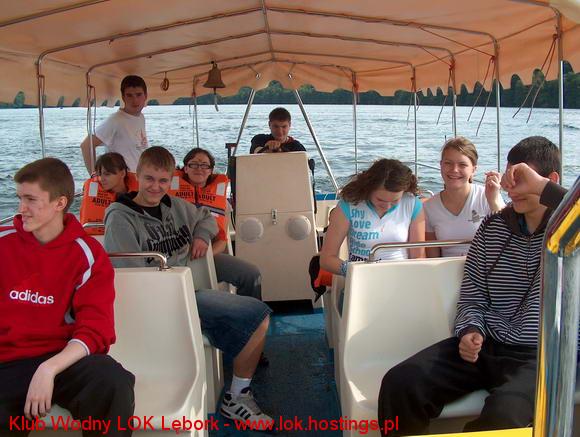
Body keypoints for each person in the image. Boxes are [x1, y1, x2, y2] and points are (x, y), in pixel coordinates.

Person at [377, 136, 562, 436]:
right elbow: (472, 296)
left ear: (549, 181)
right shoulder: (493, 229)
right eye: (510, 179)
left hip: (542, 355)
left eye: (523, 180)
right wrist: (470, 329)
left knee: (503, 416)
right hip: (486, 344)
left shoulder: (571, 231)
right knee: (401, 383)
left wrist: (544, 189)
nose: (512, 190)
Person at [103, 146, 273, 427]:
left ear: (171, 179)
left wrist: (202, 237)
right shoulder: (121, 218)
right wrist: (175, 293)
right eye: (149, 179)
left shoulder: (174, 205)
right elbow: (130, 277)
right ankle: (236, 398)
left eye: (162, 180)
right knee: (258, 317)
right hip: (161, 301)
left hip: (187, 290)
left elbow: (205, 218)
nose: (155, 187)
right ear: (137, 176)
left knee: (255, 307)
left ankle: (238, 379)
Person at [0, 158, 135, 436]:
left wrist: (48, 369)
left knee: (112, 381)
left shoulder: (87, 254)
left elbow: (96, 329)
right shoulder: (4, 242)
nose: (21, 208)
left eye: (30, 199)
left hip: (61, 361)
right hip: (5, 361)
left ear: (60, 203)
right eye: (20, 198)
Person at [177, 147, 262, 300]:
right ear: (185, 168)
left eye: (204, 165)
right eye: (193, 164)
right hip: (176, 258)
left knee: (251, 274)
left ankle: (250, 313)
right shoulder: (166, 195)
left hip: (210, 256)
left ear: (211, 170)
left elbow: (222, 241)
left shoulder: (222, 202)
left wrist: (204, 258)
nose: (199, 168)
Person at [320, 158, 425, 275]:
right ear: (369, 189)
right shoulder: (349, 205)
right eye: (380, 200)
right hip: (361, 276)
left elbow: (418, 258)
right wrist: (354, 272)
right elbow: (326, 259)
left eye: (395, 201)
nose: (387, 206)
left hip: (401, 276)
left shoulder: (412, 204)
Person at [424, 137, 504, 257]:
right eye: (448, 163)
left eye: (462, 165)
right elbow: (432, 257)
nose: (454, 170)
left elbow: (508, 236)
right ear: (441, 165)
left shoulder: (487, 196)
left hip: (485, 266)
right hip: (447, 267)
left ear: (473, 170)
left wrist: (494, 200)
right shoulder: (429, 207)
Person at [80, 75, 149, 174]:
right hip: (122, 181)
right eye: (129, 95)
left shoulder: (141, 118)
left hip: (139, 178)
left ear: (145, 96)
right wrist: (95, 176)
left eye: (139, 95)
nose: (135, 100)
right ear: (123, 97)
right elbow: (86, 145)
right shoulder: (115, 120)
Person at [80, 152, 138, 235]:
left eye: (107, 174)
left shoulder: (139, 192)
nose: (102, 179)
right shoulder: (93, 188)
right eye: (99, 174)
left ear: (122, 173)